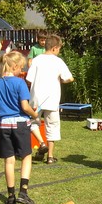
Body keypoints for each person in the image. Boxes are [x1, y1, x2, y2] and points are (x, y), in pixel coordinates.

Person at [0, 51, 40, 204]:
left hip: (4, 125)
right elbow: (25, 106)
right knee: (26, 156)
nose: (21, 71)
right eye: (21, 68)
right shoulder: (19, 83)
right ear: (15, 66)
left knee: (9, 161)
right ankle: (23, 193)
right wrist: (35, 114)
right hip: (20, 124)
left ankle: (10, 196)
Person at [26, 34, 74, 164]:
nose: (59, 52)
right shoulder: (58, 61)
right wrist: (62, 80)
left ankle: (41, 143)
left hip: (36, 98)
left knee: (32, 122)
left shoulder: (36, 60)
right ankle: (50, 157)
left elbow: (29, 79)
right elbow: (69, 78)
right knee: (52, 125)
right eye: (59, 49)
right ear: (54, 48)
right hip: (52, 99)